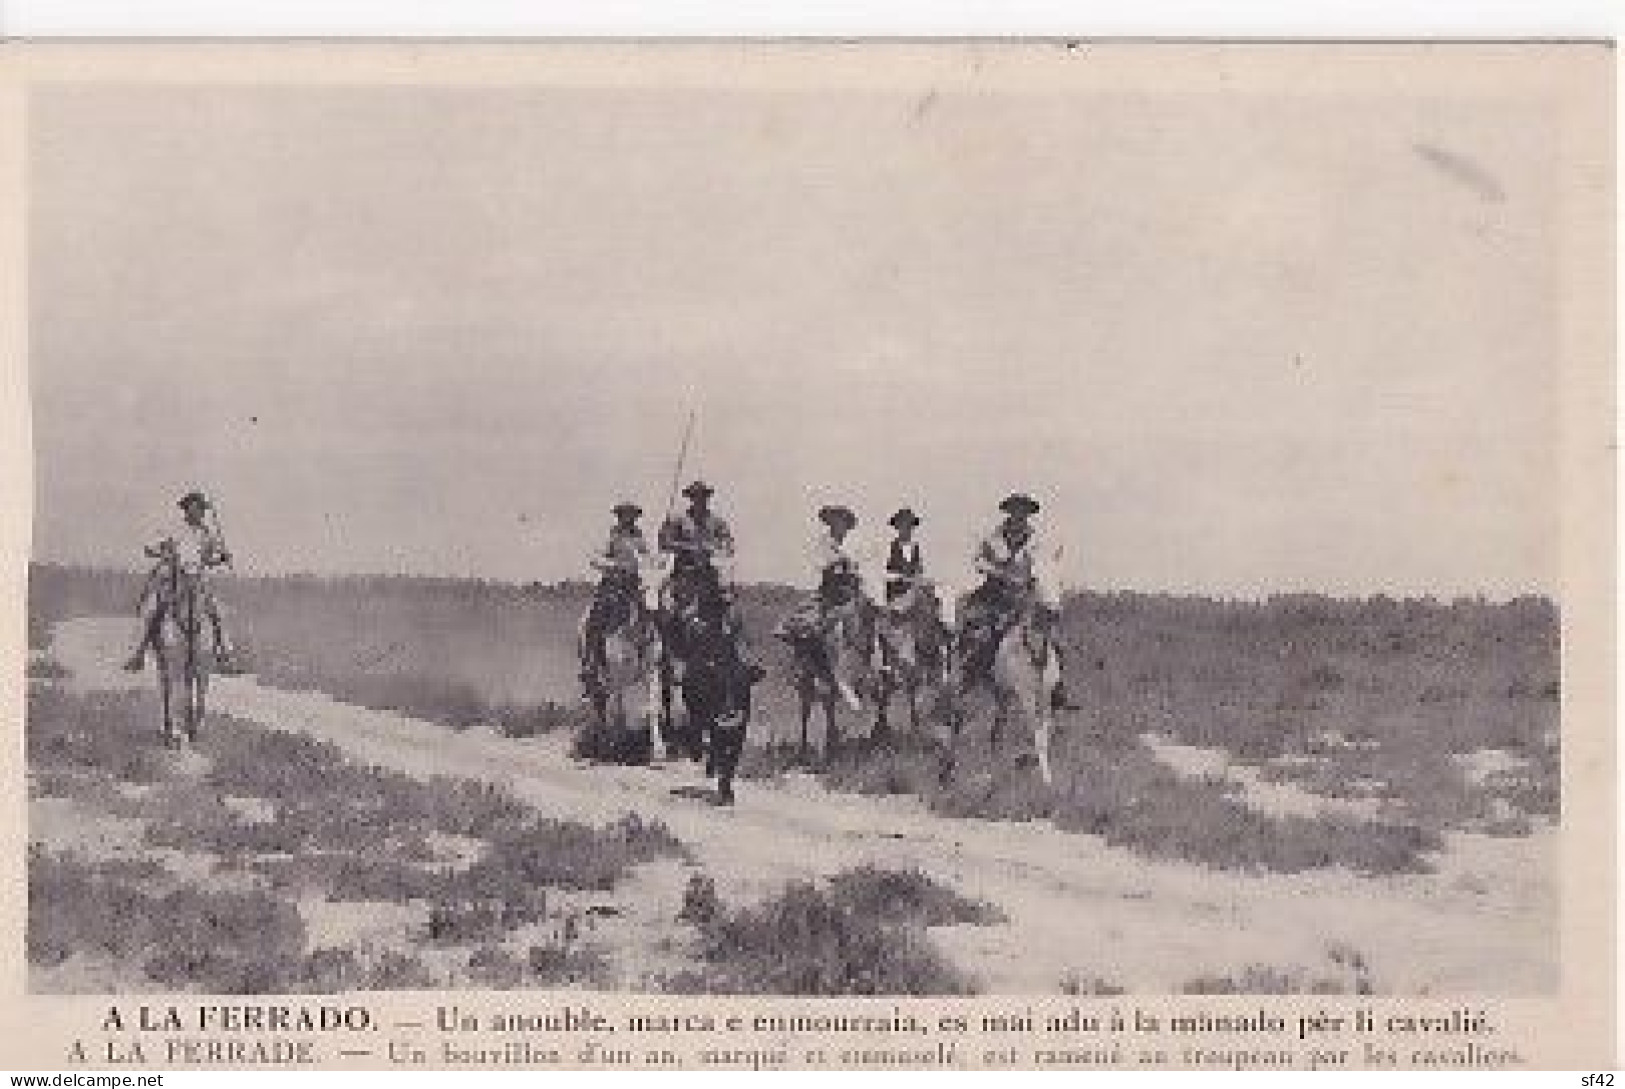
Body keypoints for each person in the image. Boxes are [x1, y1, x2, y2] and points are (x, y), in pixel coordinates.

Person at [958, 493, 1078, 710]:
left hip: (1024, 595)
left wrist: (1033, 579)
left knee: (1054, 639)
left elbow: (1042, 566)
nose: (1019, 516)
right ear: (1009, 513)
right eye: (1016, 511)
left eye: (1024, 512)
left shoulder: (1036, 542)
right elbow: (978, 561)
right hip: (994, 595)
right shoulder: (992, 538)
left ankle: (1058, 690)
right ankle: (967, 679)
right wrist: (998, 572)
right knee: (980, 634)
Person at [124, 490, 243, 674]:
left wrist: (222, 558)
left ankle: (226, 655)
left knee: (218, 612)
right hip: (172, 575)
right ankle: (136, 654)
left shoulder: (206, 534)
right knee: (150, 608)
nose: (200, 513)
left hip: (198, 579)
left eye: (202, 510)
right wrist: (164, 553)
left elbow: (209, 560)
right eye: (196, 508)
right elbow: (149, 549)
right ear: (186, 509)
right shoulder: (172, 529)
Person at [657, 481, 764, 684]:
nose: (700, 500)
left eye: (703, 496)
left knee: (733, 614)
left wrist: (717, 548)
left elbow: (729, 544)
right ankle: (670, 661)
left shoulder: (717, 521)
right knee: (669, 613)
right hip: (683, 577)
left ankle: (746, 659)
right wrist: (689, 548)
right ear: (690, 498)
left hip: (710, 577)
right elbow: (664, 543)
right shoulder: (677, 519)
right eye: (696, 497)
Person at [774, 505, 873, 666]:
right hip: (830, 590)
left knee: (872, 614)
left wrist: (855, 569)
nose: (839, 526)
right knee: (808, 618)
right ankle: (806, 659)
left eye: (842, 522)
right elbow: (820, 563)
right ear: (831, 523)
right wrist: (837, 562)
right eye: (835, 522)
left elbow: (862, 563)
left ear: (847, 525)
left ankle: (876, 659)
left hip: (851, 589)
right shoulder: (824, 542)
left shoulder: (853, 544)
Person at [578, 501, 652, 695]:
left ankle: (658, 663)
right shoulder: (610, 537)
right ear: (618, 517)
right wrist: (613, 565)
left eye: (631, 516)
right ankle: (591, 667)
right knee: (594, 621)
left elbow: (647, 559)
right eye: (624, 515)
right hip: (612, 587)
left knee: (656, 614)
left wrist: (647, 566)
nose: (628, 519)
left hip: (634, 587)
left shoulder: (640, 538)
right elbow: (595, 558)